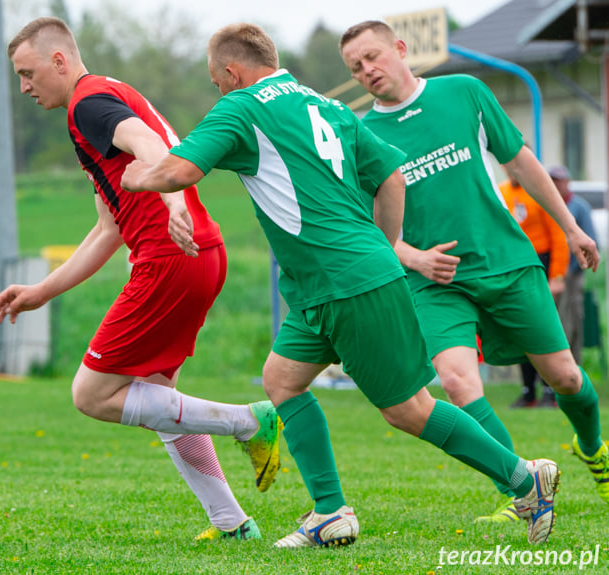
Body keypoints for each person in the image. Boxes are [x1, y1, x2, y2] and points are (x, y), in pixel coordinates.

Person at [122, 22, 560, 548]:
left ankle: (523, 478)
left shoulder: (242, 107)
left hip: (346, 282)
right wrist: (386, 244)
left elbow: (178, 172)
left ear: (233, 72)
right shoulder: (326, 105)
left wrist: (136, 176)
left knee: (408, 409)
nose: (219, 91)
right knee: (282, 379)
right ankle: (330, 513)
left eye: (218, 82)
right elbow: (392, 176)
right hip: (323, 286)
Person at [0, 17, 282, 541]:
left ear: (60, 61)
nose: (24, 87)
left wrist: (173, 204)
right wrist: (40, 291)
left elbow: (151, 146)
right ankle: (231, 522)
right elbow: (108, 230)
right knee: (156, 395)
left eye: (27, 73)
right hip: (197, 254)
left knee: (93, 394)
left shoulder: (89, 103)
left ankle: (249, 421)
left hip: (172, 255)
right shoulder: (106, 98)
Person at [339, 20, 608, 521]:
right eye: (355, 67)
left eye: (373, 57)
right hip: (433, 282)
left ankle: (594, 449)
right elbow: (368, 229)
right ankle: (524, 490)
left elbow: (522, 163)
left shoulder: (463, 92)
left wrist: (571, 228)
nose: (366, 70)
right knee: (459, 383)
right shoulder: (361, 135)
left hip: (506, 263)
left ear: (400, 49)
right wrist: (414, 257)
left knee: (566, 378)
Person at [500, 167, 569, 409]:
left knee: (545, 329)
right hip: (516, 264)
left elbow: (559, 236)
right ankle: (528, 391)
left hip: (542, 263)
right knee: (522, 331)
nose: (512, 171)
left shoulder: (540, 191)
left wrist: (557, 276)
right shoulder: (501, 193)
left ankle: (551, 391)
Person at [550, 164, 600, 365]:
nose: (557, 184)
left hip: (571, 274)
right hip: (551, 274)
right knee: (553, 324)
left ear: (567, 182)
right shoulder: (547, 204)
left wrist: (573, 270)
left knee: (571, 323)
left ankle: (573, 369)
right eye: (553, 180)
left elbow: (591, 240)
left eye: (560, 180)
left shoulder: (579, 207)